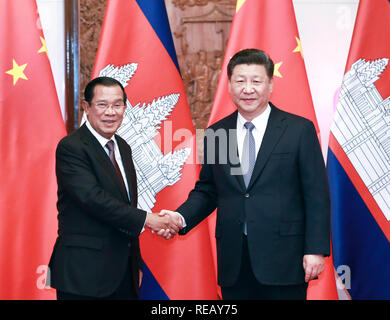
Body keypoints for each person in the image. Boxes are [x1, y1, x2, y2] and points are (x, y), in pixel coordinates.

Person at [160, 49, 330, 300]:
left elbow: (316, 195)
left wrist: (315, 250)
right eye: (240, 81)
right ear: (229, 85)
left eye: (256, 81)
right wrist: (179, 217)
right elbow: (208, 190)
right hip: (235, 261)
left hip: (285, 258)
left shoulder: (298, 130)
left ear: (270, 84)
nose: (247, 88)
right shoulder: (218, 133)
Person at [47, 76, 179, 300]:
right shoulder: (72, 147)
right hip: (84, 274)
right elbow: (92, 198)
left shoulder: (123, 147)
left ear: (125, 108)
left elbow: (126, 204)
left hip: (123, 274)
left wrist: (133, 263)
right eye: (102, 104)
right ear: (86, 107)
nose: (110, 112)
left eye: (117, 105)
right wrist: (150, 219)